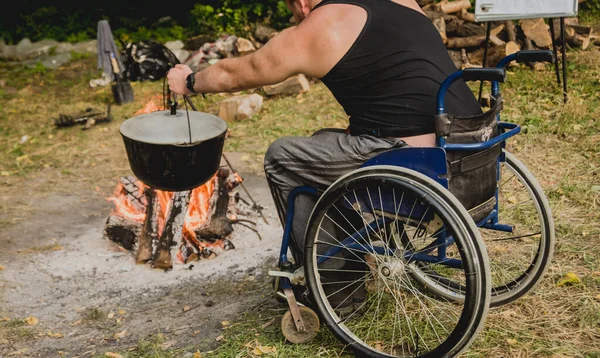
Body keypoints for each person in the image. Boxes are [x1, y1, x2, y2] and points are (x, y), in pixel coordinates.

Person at [168, 0, 482, 312]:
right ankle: (348, 254)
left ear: (302, 4)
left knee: (282, 157)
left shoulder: (320, 26)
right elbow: (403, 77)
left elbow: (245, 70)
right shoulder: (402, 2)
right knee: (321, 142)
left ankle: (336, 291)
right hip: (468, 146)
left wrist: (190, 82)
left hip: (416, 161)